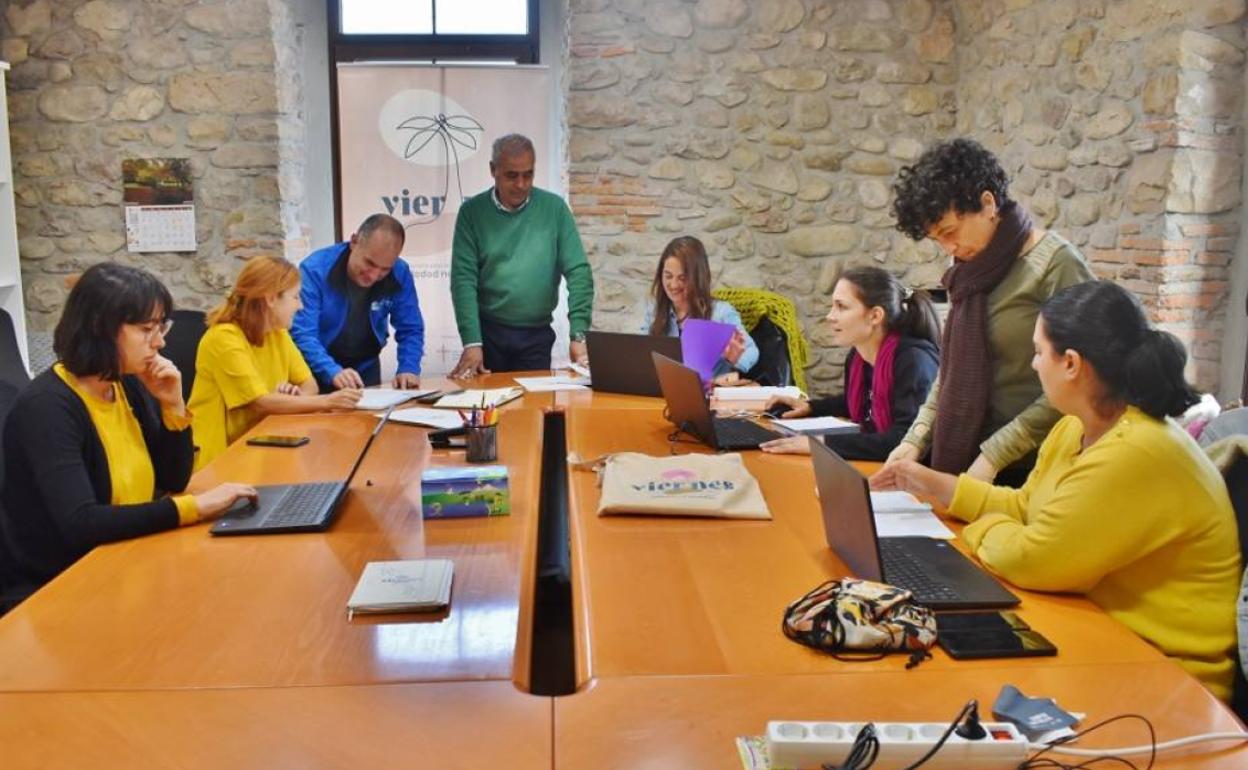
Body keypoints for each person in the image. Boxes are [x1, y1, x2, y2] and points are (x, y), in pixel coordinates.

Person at [872, 281, 1240, 699]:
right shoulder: (1075, 427)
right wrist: (936, 485)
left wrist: (972, 532)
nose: (1032, 365)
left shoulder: (1139, 450)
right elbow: (1026, 506)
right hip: (1104, 634)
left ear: (1071, 363)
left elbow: (1034, 558)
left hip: (1170, 678)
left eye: (1038, 351)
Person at [0, 264, 257, 608]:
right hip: (62, 586)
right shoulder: (48, 408)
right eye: (146, 329)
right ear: (99, 328)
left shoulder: (126, 384)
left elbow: (173, 478)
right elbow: (82, 523)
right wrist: (194, 508)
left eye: (161, 327)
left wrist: (174, 407)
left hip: (125, 558)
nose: (160, 342)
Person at [877, 138, 1094, 486]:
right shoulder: (968, 275)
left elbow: (1080, 377)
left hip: (1034, 465)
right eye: (937, 240)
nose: (950, 248)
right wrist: (915, 440)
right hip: (972, 457)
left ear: (988, 203)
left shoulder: (1055, 265)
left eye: (950, 232)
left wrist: (997, 452)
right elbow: (950, 372)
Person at [190, 256, 362, 470]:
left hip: (264, 441)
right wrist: (328, 402)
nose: (300, 306)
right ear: (271, 299)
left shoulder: (277, 332)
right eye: (295, 297)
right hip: (220, 458)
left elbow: (310, 385)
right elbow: (260, 402)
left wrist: (292, 399)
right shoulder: (223, 338)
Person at [449, 134, 594, 376]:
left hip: (536, 334)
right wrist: (472, 341)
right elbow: (463, 280)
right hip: (488, 333)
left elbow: (579, 271)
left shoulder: (554, 209)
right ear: (493, 170)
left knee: (533, 409)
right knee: (489, 408)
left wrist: (578, 334)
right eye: (512, 175)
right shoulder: (472, 213)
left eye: (528, 174)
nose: (521, 184)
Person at [760, 266, 939, 460]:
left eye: (841, 307)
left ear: (875, 316)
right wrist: (810, 407)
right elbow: (864, 401)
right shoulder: (858, 357)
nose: (830, 317)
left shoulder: (914, 361)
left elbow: (904, 441)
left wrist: (820, 443)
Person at [291, 213, 424, 391]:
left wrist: (409, 368)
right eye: (369, 263)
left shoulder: (400, 273)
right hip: (315, 367)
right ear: (354, 241)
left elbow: (410, 327)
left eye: (385, 269)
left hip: (366, 366)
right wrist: (332, 371)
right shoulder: (315, 270)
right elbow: (303, 333)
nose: (374, 275)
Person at [642, 236, 758, 380]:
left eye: (682, 278)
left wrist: (734, 358)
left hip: (709, 395)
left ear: (698, 277)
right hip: (664, 392)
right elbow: (641, 350)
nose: (673, 285)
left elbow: (751, 352)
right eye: (668, 276)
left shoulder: (721, 313)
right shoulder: (654, 310)